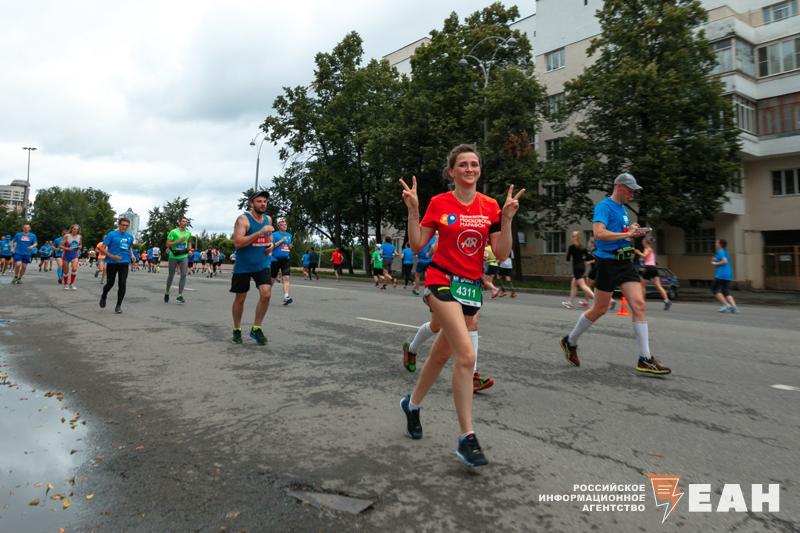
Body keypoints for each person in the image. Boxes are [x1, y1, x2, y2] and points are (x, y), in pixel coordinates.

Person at [398, 144, 524, 468]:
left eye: (474, 164)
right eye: (463, 164)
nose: (470, 169)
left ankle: (412, 405)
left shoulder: (490, 206)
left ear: (479, 170)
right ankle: (467, 437)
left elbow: (501, 253)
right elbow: (418, 244)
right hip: (440, 280)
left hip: (470, 287)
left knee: (441, 355)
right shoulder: (440, 203)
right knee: (466, 355)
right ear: (452, 171)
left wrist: (507, 220)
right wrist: (413, 210)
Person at [559, 173, 671, 375]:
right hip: (608, 263)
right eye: (630, 190)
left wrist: (632, 230)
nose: (632, 194)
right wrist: (627, 234)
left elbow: (621, 233)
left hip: (625, 263)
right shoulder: (604, 206)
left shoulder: (622, 209)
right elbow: (599, 233)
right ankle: (570, 340)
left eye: (634, 191)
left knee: (639, 304)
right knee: (599, 309)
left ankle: (645, 358)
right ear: (619, 186)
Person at [231, 190, 275, 345]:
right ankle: (237, 329)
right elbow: (238, 243)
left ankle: (256, 328)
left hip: (262, 263)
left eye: (265, 201)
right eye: (259, 201)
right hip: (243, 265)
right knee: (240, 298)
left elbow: (269, 237)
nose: (263, 204)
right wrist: (259, 232)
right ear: (251, 203)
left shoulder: (268, 219)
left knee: (266, 294)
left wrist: (271, 245)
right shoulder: (243, 220)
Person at [98, 218, 135, 314]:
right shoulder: (111, 234)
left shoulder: (130, 236)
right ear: (119, 225)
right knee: (110, 283)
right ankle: (104, 295)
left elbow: (130, 247)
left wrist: (132, 255)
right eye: (123, 225)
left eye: (126, 226)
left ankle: (118, 306)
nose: (124, 227)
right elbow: (102, 248)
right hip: (112, 262)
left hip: (124, 262)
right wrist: (112, 256)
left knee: (122, 283)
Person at [636, 236, 671, 310]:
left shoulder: (647, 249)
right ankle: (666, 300)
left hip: (648, 268)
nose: (642, 243)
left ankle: (642, 303)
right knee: (658, 286)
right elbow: (650, 259)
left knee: (642, 286)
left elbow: (644, 255)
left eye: (643, 241)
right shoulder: (651, 249)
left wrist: (638, 252)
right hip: (654, 268)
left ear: (645, 242)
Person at [562, 231, 595, 309]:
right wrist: (583, 258)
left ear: (574, 238)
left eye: (572, 236)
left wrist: (570, 253)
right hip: (582, 267)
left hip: (576, 267)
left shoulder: (571, 247)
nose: (571, 237)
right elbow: (588, 258)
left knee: (583, 286)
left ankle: (596, 299)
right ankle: (570, 302)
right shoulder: (582, 247)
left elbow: (567, 259)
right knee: (573, 285)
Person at [165, 216, 192, 304]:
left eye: (186, 221)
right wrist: (178, 241)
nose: (185, 223)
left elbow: (189, 242)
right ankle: (167, 292)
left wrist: (190, 250)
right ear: (179, 222)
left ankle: (179, 296)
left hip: (183, 256)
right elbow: (167, 244)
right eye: (183, 221)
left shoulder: (188, 233)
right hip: (173, 256)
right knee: (171, 275)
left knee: (183, 275)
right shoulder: (173, 232)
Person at [711, 238, 738, 313]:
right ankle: (734, 307)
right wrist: (715, 259)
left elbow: (724, 261)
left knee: (714, 289)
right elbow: (720, 259)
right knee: (725, 291)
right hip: (728, 274)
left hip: (721, 274)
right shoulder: (725, 252)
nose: (715, 244)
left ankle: (726, 305)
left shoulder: (720, 251)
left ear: (720, 244)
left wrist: (715, 263)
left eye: (717, 243)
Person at [270, 219, 294, 305]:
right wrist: (281, 241)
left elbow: (288, 247)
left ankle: (286, 296)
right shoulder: (274, 235)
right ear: (278, 226)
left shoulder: (289, 235)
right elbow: (271, 246)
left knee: (286, 278)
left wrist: (290, 246)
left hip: (286, 259)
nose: (285, 226)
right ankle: (266, 294)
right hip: (275, 259)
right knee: (272, 280)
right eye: (282, 225)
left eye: (285, 224)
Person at [61, 224, 82, 290]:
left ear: (78, 230)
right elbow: (60, 245)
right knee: (66, 271)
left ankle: (72, 284)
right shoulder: (67, 236)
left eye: (77, 229)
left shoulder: (79, 237)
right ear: (71, 229)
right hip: (66, 254)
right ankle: (66, 284)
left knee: (74, 268)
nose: (75, 230)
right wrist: (67, 248)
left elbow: (80, 245)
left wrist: (80, 247)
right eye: (74, 229)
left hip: (74, 254)